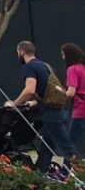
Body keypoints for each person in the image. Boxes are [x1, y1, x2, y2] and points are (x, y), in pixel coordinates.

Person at [6, 40, 78, 181]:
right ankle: (38, 177)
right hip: (61, 112)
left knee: (69, 151)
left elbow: (30, 89)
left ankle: (68, 175)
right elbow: (49, 91)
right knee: (46, 147)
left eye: (17, 53)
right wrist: (35, 102)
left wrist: (14, 104)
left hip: (52, 116)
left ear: (22, 52)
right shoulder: (45, 66)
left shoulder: (29, 67)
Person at [64, 42, 85, 155]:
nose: (62, 57)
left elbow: (71, 92)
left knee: (69, 142)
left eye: (63, 54)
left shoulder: (72, 69)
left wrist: (60, 94)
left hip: (80, 110)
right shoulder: (83, 68)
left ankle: (64, 171)